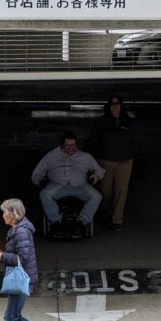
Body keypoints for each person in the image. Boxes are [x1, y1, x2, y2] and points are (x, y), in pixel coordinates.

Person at [0, 198, 53, 321]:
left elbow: (23, 258)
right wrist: (2, 256)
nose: (3, 215)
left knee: (10, 318)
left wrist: (2, 256)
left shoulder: (21, 232)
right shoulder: (17, 230)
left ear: (13, 214)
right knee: (14, 316)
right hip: (22, 278)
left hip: (22, 280)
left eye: (5, 212)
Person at [32, 131, 105, 232]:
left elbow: (100, 170)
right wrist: (40, 181)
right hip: (58, 185)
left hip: (80, 185)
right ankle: (55, 223)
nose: (71, 148)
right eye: (68, 145)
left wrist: (96, 176)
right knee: (44, 194)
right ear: (62, 144)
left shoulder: (85, 157)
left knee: (97, 196)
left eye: (73, 145)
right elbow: (36, 173)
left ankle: (81, 223)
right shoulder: (51, 156)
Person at [86, 95, 135, 231]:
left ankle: (117, 219)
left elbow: (134, 140)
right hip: (105, 161)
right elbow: (93, 141)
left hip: (125, 161)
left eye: (117, 104)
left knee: (121, 190)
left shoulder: (127, 122)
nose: (115, 107)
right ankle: (108, 213)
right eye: (112, 104)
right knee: (105, 191)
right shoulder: (101, 123)